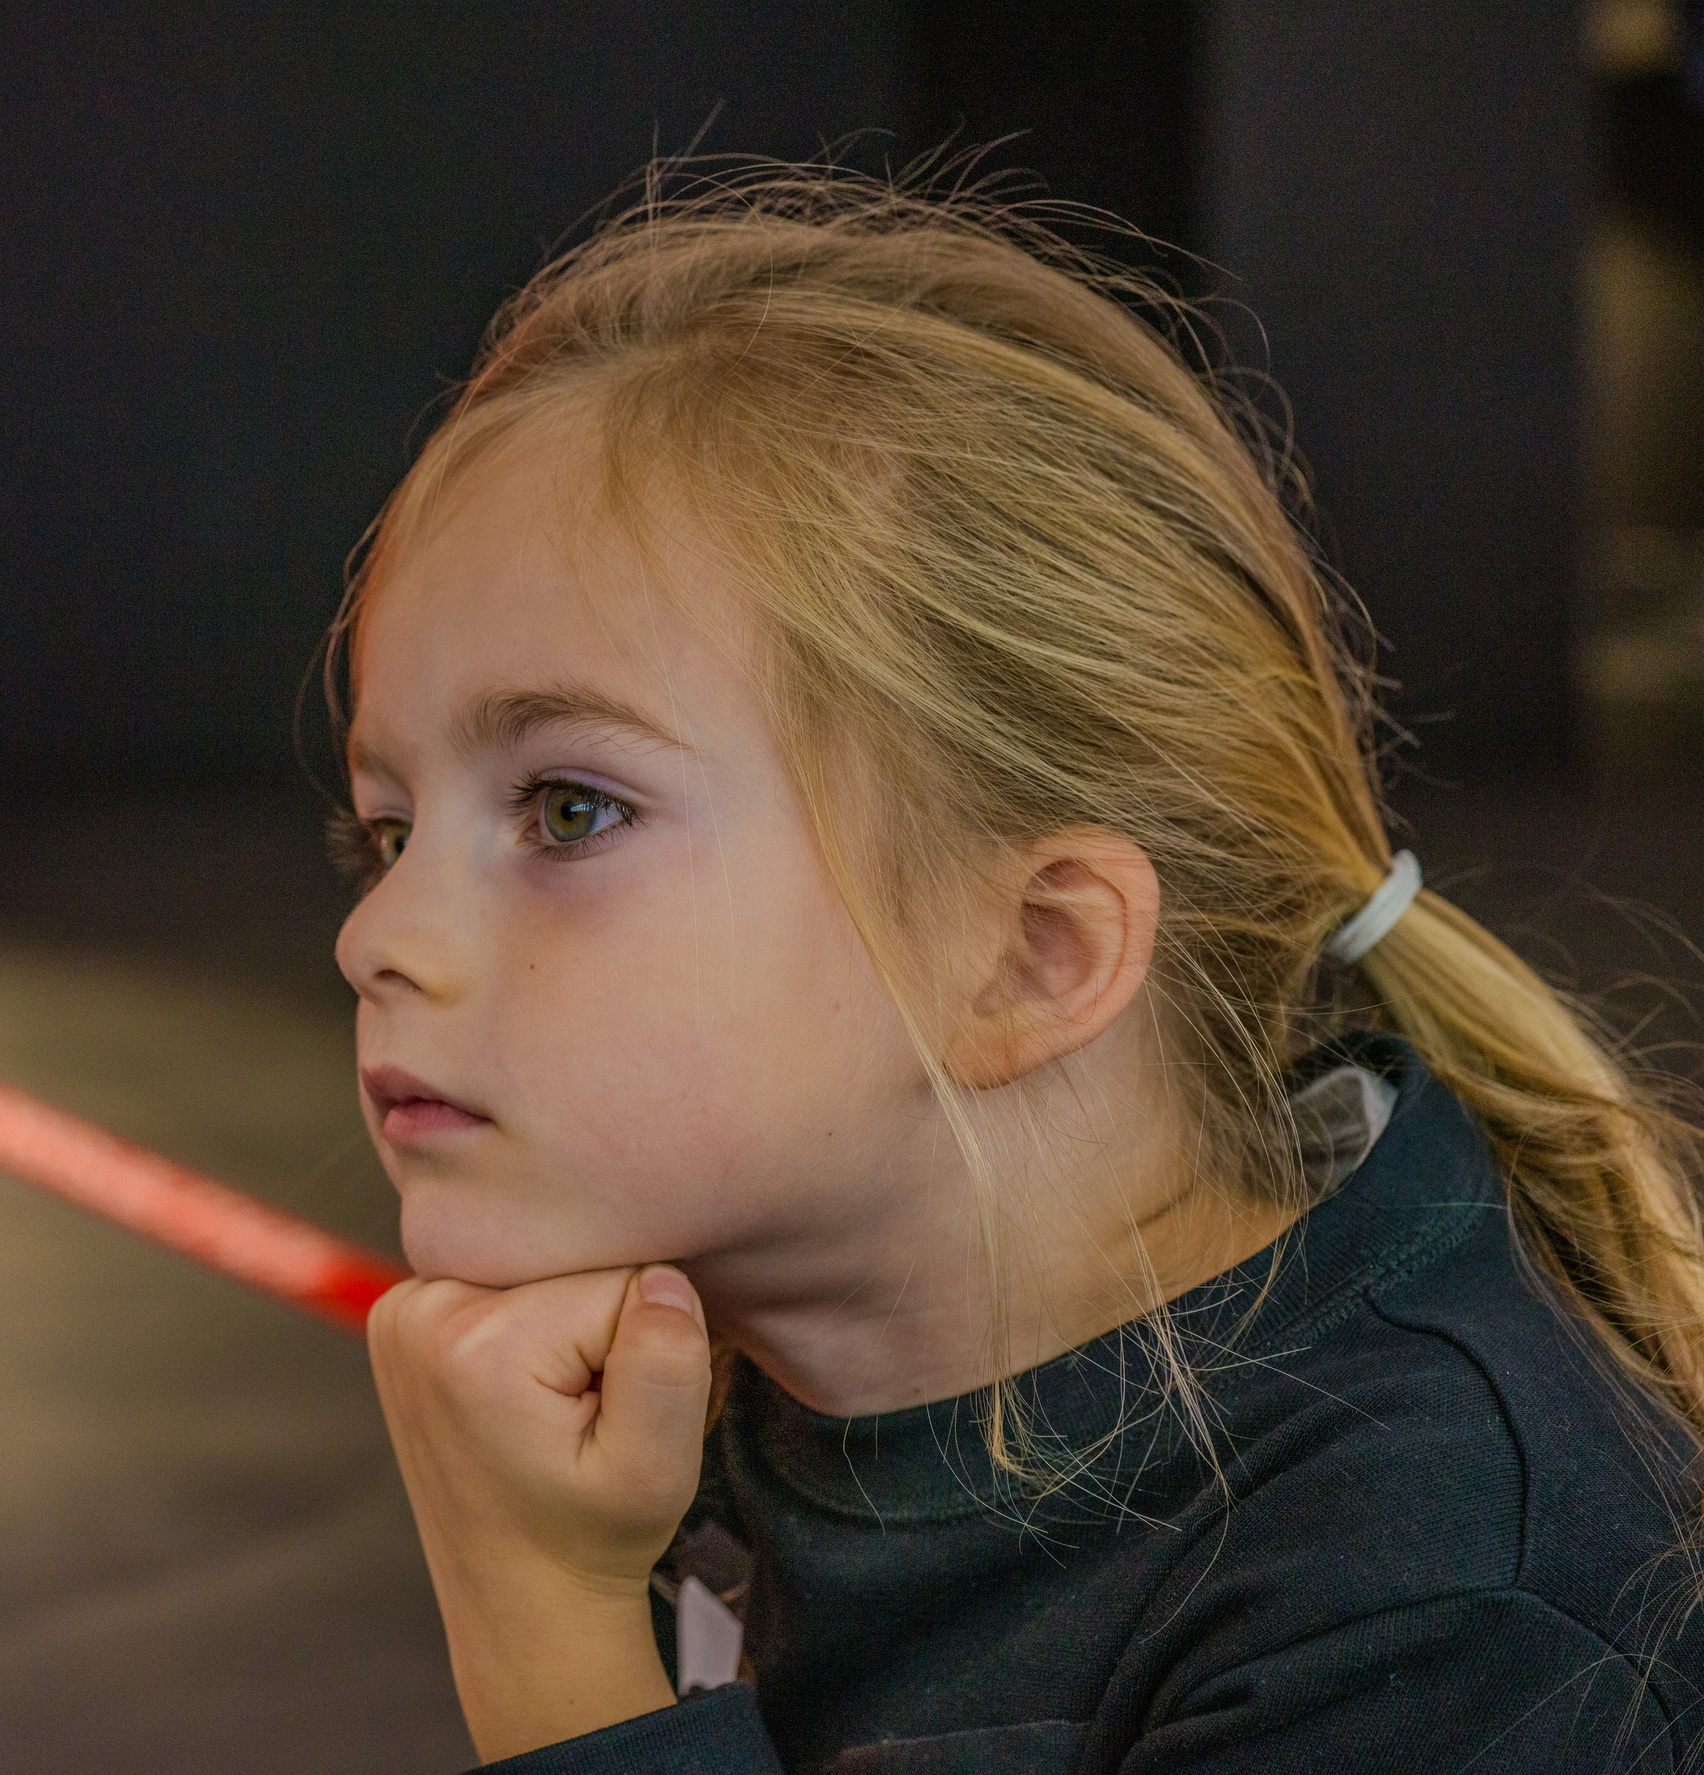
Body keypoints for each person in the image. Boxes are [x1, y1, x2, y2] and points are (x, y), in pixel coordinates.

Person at [331, 174, 1704, 1772]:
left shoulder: (1443, 1609)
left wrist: (548, 1634)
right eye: (387, 830)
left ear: (1032, 956)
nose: (376, 937)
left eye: (571, 809)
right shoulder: (718, 1394)